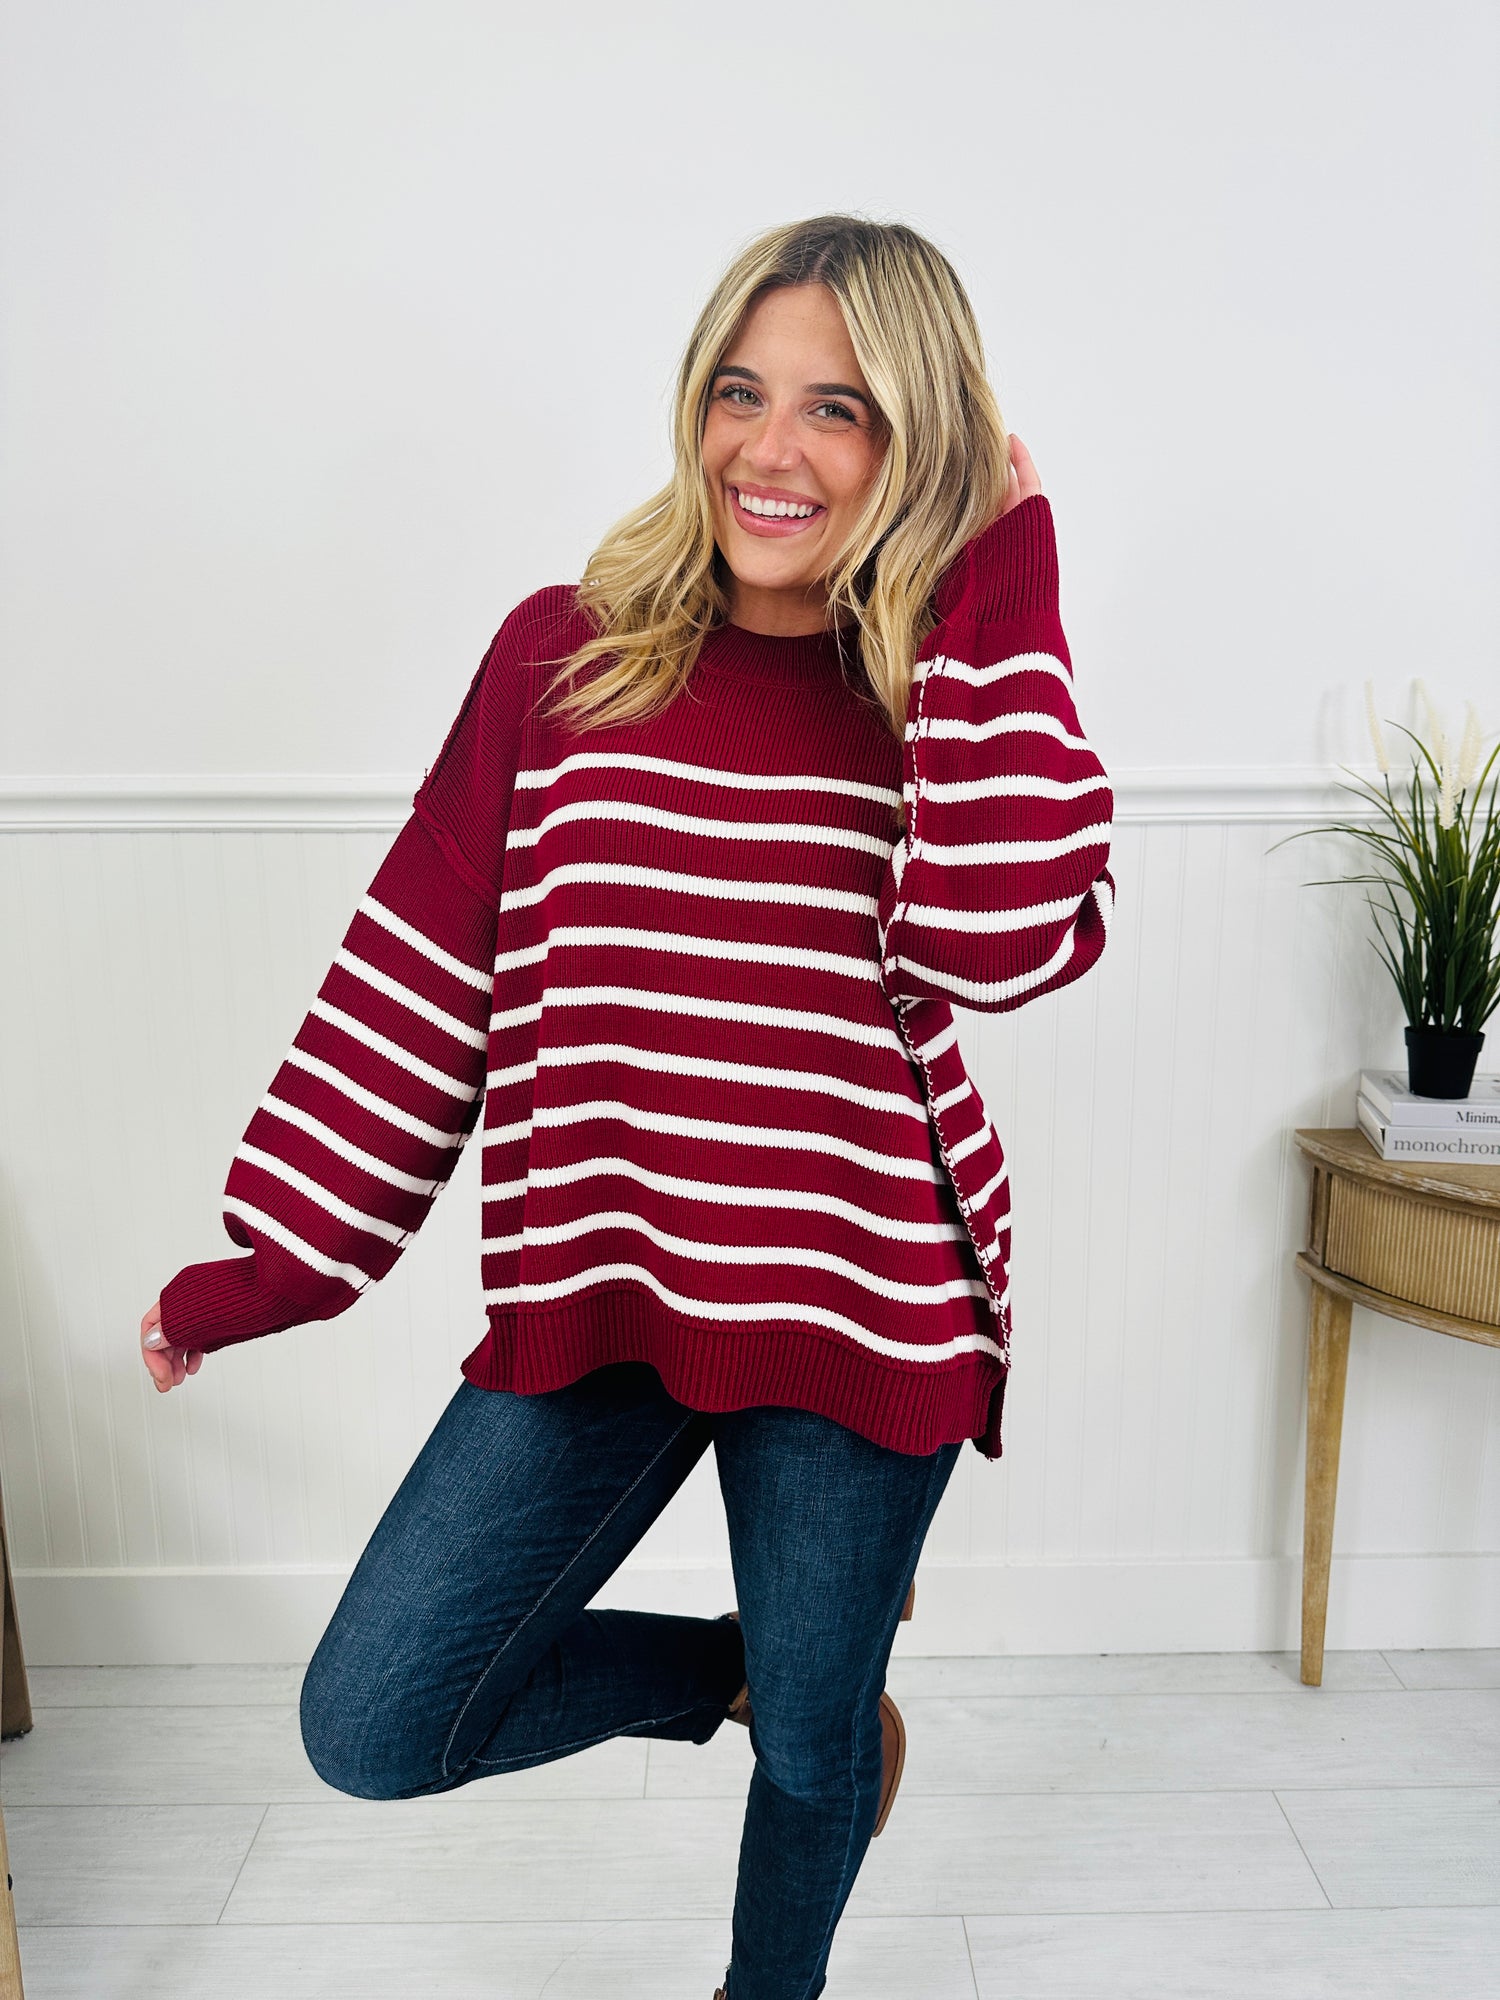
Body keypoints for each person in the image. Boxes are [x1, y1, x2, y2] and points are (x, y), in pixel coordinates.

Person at [140, 214, 1115, 2000]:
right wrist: (271, 1269)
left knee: (815, 1756)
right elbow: (423, 968)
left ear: (923, 442)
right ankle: (736, 1671)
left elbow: (998, 937)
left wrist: (1008, 553)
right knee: (378, 1715)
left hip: (858, 1298)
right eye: (741, 392)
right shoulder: (564, 655)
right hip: (607, 1284)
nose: (770, 448)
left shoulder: (942, 691)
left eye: (839, 409)